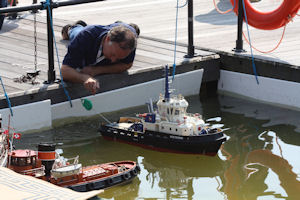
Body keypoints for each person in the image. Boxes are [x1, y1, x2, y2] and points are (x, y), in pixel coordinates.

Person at [61, 21, 139, 94]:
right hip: (88, 34)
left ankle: (121, 24)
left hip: (127, 30)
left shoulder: (129, 44)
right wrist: (85, 78)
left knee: (131, 30)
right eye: (113, 54)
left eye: (119, 59)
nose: (113, 60)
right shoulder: (86, 35)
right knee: (76, 33)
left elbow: (127, 64)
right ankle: (72, 28)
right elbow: (65, 71)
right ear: (108, 39)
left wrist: (97, 70)